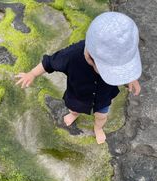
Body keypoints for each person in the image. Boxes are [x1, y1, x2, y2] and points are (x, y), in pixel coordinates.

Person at [15, 12, 142, 144]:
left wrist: (131, 78)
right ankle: (74, 114)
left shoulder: (121, 53)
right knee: (74, 108)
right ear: (90, 56)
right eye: (109, 71)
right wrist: (32, 74)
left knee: (101, 116)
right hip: (78, 94)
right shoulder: (70, 56)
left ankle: (98, 128)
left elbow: (125, 67)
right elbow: (48, 63)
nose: (114, 73)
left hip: (103, 96)